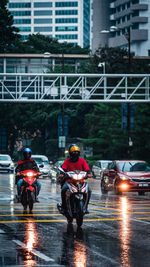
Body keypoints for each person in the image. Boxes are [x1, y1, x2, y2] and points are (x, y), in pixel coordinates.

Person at [58, 144, 92, 213]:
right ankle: (64, 207)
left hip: (81, 181)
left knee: (89, 190)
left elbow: (87, 169)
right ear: (70, 153)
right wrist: (62, 174)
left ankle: (85, 207)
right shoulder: (67, 161)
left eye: (77, 152)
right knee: (64, 189)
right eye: (74, 152)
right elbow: (63, 169)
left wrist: (89, 174)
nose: (75, 154)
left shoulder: (82, 161)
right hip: (69, 181)